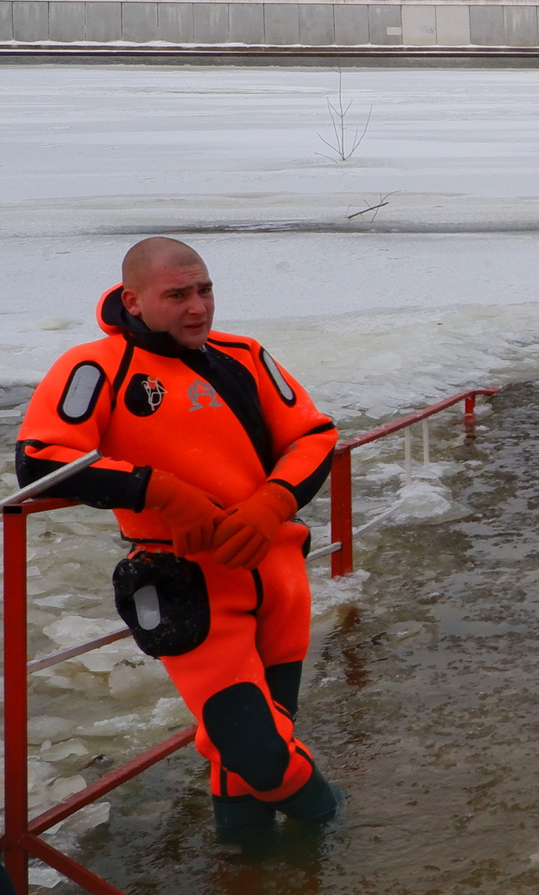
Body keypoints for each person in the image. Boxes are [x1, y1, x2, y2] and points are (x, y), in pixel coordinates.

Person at [13, 238, 345, 841]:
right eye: (177, 295)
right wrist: (157, 490)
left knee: (247, 753)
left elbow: (315, 436)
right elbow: (39, 463)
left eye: (205, 290)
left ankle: (256, 885)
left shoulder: (244, 356)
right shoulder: (97, 366)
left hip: (279, 577)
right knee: (260, 752)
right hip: (189, 585)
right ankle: (339, 826)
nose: (198, 308)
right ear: (133, 301)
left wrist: (273, 502)